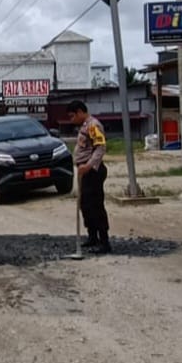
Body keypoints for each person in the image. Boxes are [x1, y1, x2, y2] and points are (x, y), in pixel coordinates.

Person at [67, 100, 111, 253]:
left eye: (72, 116)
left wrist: (89, 165)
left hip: (93, 171)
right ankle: (92, 236)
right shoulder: (84, 127)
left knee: (95, 205)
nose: (71, 120)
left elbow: (100, 148)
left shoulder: (93, 125)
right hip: (84, 172)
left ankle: (104, 241)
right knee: (85, 205)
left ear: (80, 112)